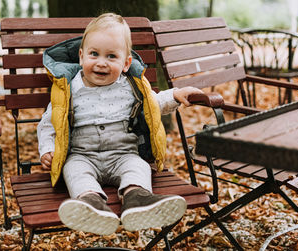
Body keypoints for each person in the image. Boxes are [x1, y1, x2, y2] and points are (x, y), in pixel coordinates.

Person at [37, 13, 203, 235]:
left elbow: (153, 105)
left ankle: (137, 198)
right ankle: (91, 204)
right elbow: (48, 124)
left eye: (111, 56)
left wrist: (176, 94)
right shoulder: (68, 90)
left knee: (138, 166)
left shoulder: (130, 87)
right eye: (94, 54)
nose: (101, 63)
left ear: (126, 64)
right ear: (81, 56)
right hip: (82, 155)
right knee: (74, 170)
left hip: (123, 153)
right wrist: (47, 149)